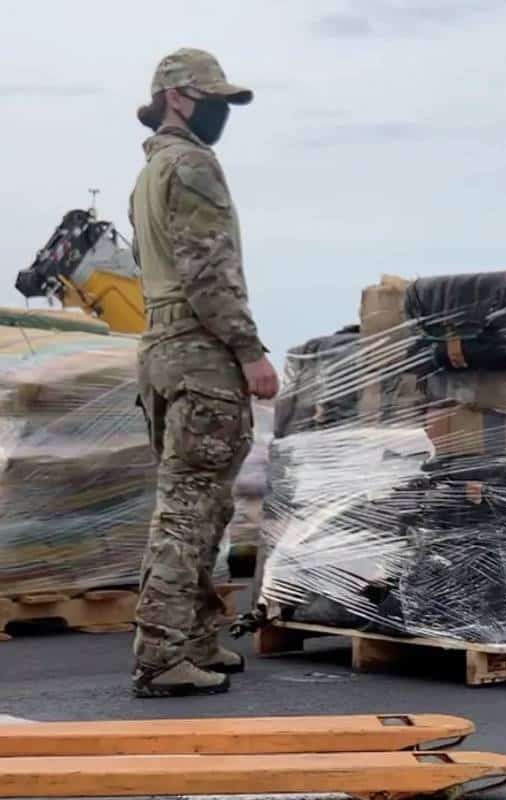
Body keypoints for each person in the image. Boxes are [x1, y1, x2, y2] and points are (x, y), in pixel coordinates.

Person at [128, 48, 278, 698]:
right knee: (189, 509)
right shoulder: (191, 165)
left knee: (206, 504)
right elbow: (207, 269)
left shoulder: (151, 169)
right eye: (214, 98)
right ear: (180, 97)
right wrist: (249, 350)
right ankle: (162, 656)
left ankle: (194, 638)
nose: (222, 111)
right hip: (199, 353)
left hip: (163, 352)